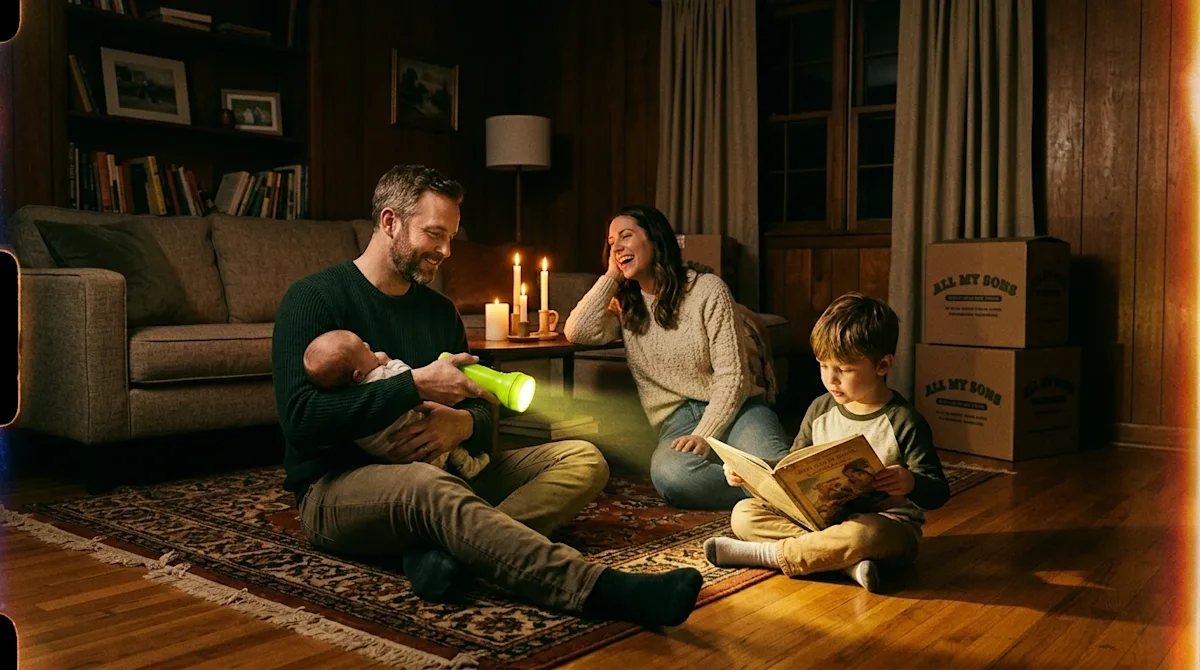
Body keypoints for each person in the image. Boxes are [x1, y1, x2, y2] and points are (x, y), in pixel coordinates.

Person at [272, 165, 703, 626]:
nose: (446, 251)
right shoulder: (312, 299)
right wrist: (413, 385)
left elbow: (479, 401)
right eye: (435, 234)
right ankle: (600, 589)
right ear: (389, 222)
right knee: (426, 486)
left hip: (450, 472)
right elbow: (301, 420)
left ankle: (454, 551)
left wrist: (464, 423)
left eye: (452, 237)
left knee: (585, 458)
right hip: (339, 488)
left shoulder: (439, 312)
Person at [703, 292, 951, 593]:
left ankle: (765, 555)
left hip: (885, 525)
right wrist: (752, 474)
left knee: (865, 537)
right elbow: (791, 469)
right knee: (744, 513)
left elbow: (937, 492)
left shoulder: (903, 420)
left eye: (844, 370)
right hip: (820, 524)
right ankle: (846, 564)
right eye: (823, 366)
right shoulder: (820, 409)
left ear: (882, 366)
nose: (831, 379)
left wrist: (910, 481)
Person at [563, 205, 791, 510]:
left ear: (655, 239)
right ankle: (769, 495)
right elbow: (577, 331)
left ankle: (775, 489)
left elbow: (733, 376)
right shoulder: (628, 306)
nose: (616, 246)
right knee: (671, 475)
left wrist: (705, 435)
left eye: (626, 236)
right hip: (678, 421)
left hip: (739, 409)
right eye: (611, 241)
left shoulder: (708, 290)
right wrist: (611, 276)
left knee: (776, 467)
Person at [303, 328, 488, 480]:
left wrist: (467, 422)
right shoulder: (379, 377)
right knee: (452, 455)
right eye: (363, 349)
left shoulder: (348, 398)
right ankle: (469, 467)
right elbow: (408, 377)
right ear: (358, 375)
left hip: (400, 461)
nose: (368, 345)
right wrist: (391, 363)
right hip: (422, 451)